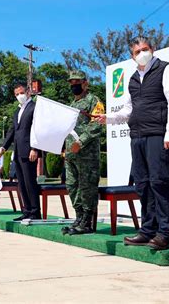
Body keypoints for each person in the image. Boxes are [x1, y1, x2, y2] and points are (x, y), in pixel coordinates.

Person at [96, 36, 169, 250]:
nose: (142, 53)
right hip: (137, 137)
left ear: (152, 49)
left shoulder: (165, 69)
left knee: (159, 182)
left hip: (158, 135)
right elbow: (127, 110)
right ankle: (147, 230)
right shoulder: (133, 78)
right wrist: (108, 118)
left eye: (145, 49)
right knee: (142, 185)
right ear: (132, 56)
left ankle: (164, 233)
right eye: (137, 51)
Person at [62, 70, 105, 235]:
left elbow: (96, 124)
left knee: (87, 187)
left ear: (85, 83)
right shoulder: (71, 105)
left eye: (77, 82)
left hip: (87, 154)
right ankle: (78, 217)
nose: (74, 85)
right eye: (71, 82)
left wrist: (81, 142)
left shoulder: (94, 100)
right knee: (72, 186)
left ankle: (87, 221)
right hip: (71, 155)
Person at [0, 83, 41, 221]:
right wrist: (3, 147)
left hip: (29, 151)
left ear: (28, 92)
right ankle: (26, 210)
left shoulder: (35, 107)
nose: (19, 96)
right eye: (16, 94)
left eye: (21, 93)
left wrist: (35, 148)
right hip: (18, 151)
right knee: (21, 183)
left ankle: (35, 212)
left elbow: (38, 129)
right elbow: (12, 131)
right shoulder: (17, 111)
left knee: (30, 182)